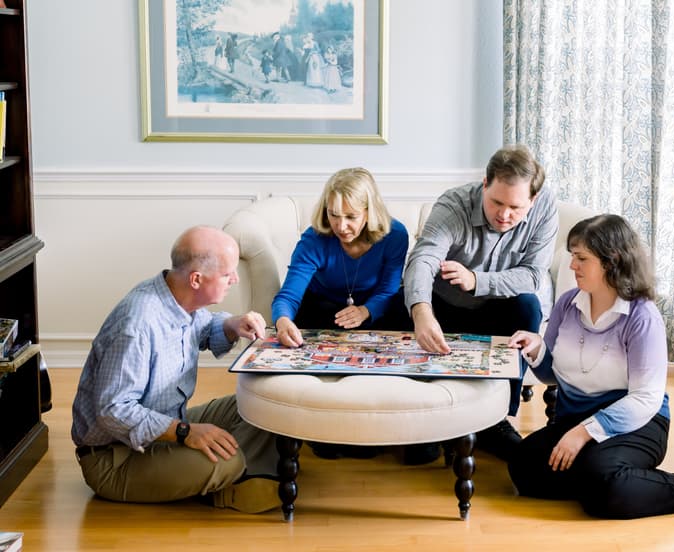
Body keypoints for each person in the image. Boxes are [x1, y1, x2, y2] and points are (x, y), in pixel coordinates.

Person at [507, 214, 674, 519]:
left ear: (611, 261)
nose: (571, 266)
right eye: (572, 257)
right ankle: (606, 475)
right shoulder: (567, 304)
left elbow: (645, 399)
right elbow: (553, 376)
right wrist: (538, 349)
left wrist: (582, 434)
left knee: (608, 492)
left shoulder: (642, 317)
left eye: (581, 258)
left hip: (638, 422)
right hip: (576, 418)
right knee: (524, 468)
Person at [72, 226, 282, 514]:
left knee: (259, 403)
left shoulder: (177, 297)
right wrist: (185, 432)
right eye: (227, 274)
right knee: (227, 462)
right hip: (115, 458)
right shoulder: (137, 325)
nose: (234, 278)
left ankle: (235, 471)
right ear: (197, 279)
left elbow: (203, 328)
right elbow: (113, 410)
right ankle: (229, 480)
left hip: (163, 427)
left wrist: (232, 325)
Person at [403, 144, 558, 461]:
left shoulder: (545, 209)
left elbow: (531, 276)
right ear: (484, 184)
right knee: (400, 301)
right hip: (443, 306)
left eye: (516, 208)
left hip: (499, 309)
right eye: (496, 202)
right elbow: (423, 259)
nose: (504, 214)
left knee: (528, 306)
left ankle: (500, 418)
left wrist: (476, 280)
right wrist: (421, 312)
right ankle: (427, 420)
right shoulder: (454, 204)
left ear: (534, 200)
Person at [271, 167, 416, 461]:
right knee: (313, 320)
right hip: (325, 312)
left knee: (404, 309)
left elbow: (389, 290)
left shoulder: (395, 234)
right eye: (334, 214)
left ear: (369, 212)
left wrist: (366, 311)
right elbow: (289, 295)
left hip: (375, 308)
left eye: (351, 216)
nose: (341, 225)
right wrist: (282, 319)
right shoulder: (314, 239)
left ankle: (404, 424)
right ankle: (326, 426)